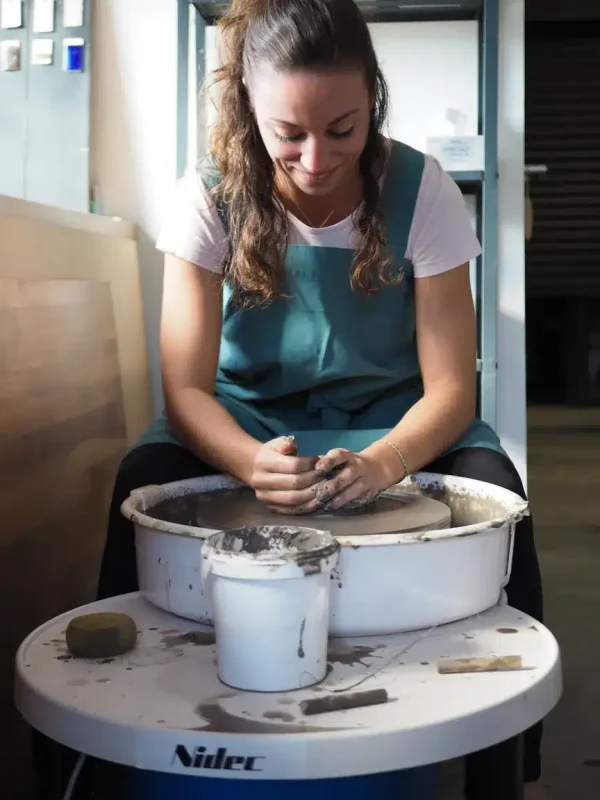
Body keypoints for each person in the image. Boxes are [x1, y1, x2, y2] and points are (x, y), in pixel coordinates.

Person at [98, 0, 546, 796]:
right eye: (288, 134)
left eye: (342, 130)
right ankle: (109, 752)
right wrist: (246, 460)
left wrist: (385, 463)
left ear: (373, 98)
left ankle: (503, 768)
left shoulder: (422, 188)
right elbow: (186, 388)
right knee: (140, 482)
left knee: (503, 491)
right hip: (247, 420)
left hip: (396, 420)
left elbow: (451, 387)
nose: (314, 159)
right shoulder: (208, 196)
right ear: (250, 111)